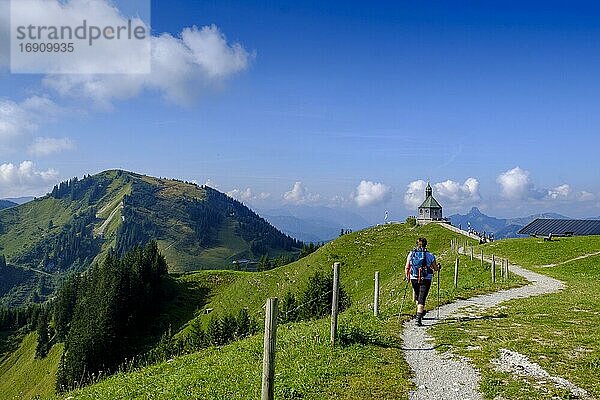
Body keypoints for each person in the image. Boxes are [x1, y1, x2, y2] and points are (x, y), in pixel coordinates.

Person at [405, 237, 439, 326]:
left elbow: (407, 267)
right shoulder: (430, 255)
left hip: (414, 278)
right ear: (426, 245)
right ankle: (418, 319)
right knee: (422, 298)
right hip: (426, 278)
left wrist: (407, 276)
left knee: (417, 295)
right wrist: (438, 267)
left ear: (417, 244)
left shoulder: (411, 254)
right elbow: (435, 268)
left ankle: (420, 312)